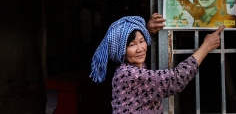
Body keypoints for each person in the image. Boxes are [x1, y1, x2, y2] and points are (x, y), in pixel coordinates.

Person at [90, 16, 224, 113]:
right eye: (132, 45)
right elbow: (176, 79)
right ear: (120, 51)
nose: (140, 48)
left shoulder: (133, 67)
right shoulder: (128, 74)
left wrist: (147, 30)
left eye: (142, 41)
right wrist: (206, 46)